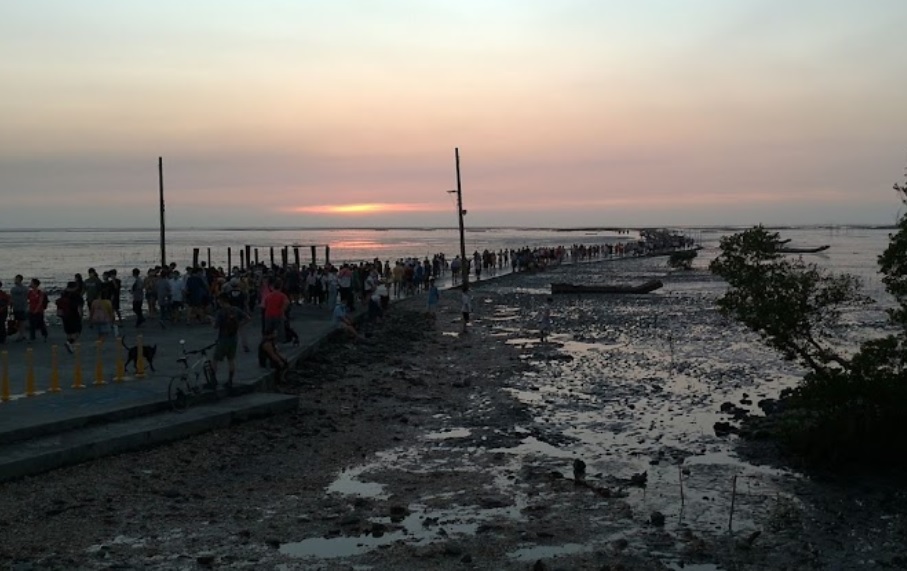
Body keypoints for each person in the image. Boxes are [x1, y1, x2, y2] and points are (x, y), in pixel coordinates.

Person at [211, 292, 251, 389]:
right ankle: (230, 380)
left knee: (215, 359)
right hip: (233, 338)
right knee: (231, 360)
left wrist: (211, 321)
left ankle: (213, 380)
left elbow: (215, 327)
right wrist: (240, 325)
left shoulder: (220, 312)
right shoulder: (236, 310)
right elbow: (248, 318)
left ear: (221, 301)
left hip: (223, 338)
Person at [57, 281, 84, 353]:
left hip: (64, 315)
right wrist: (81, 315)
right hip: (74, 315)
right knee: (77, 331)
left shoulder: (63, 293)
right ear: (75, 287)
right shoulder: (76, 295)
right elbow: (79, 307)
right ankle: (69, 343)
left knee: (69, 332)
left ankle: (71, 346)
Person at [26, 278, 48, 343]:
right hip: (31, 310)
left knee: (41, 324)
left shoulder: (40, 292)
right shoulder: (29, 292)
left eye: (32, 283)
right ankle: (32, 338)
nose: (30, 284)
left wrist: (36, 310)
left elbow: (40, 302)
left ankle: (44, 335)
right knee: (31, 324)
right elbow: (27, 300)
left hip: (39, 311)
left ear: (35, 284)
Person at [10, 275, 28, 341]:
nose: (15, 280)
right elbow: (12, 298)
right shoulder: (25, 288)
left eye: (16, 279)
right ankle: (21, 334)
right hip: (18, 306)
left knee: (21, 321)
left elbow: (12, 298)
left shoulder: (15, 289)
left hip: (21, 307)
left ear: (19, 279)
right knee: (20, 321)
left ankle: (21, 335)